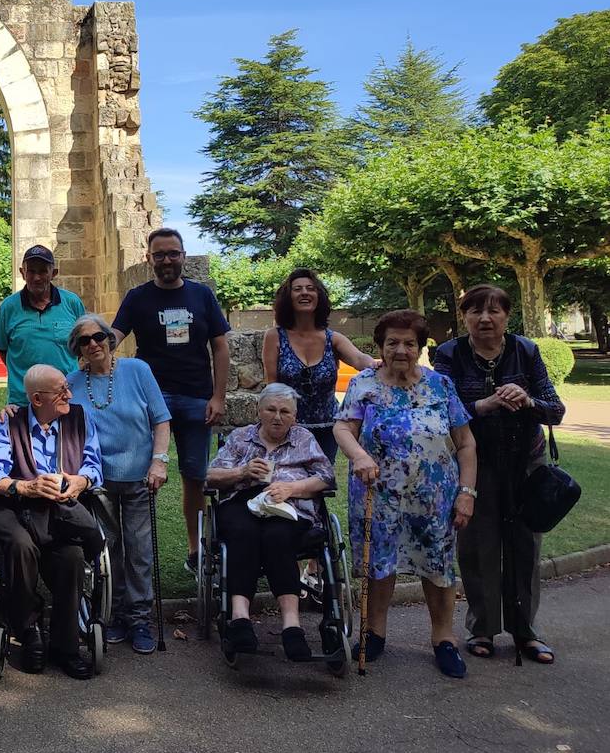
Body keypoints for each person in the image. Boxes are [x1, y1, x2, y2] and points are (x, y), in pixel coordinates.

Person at [334, 310, 478, 679]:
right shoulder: (364, 383)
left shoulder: (440, 385)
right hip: (378, 494)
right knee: (379, 563)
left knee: (438, 567)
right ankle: (375, 633)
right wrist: (360, 455)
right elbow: (343, 429)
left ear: (420, 347)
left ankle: (443, 639)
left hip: (433, 497)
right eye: (392, 342)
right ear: (380, 346)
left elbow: (465, 444)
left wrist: (466, 492)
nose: (401, 349)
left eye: (409, 343)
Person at [432, 284, 566, 664]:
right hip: (474, 463)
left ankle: (526, 631)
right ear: (465, 317)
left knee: (526, 546)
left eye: (493, 311)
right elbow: (441, 411)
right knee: (477, 547)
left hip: (526, 463)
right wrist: (483, 405)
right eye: (475, 311)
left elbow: (555, 409)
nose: (484, 318)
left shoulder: (526, 350)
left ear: (507, 315)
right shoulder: (449, 354)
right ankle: (483, 628)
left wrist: (528, 401)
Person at [0, 364, 104, 680]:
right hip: (13, 508)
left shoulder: (79, 419)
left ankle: (65, 644)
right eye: (61, 391)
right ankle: (28, 630)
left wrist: (80, 482)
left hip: (58, 510)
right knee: (19, 546)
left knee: (72, 557)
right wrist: (23, 486)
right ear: (37, 398)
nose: (69, 395)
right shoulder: (10, 423)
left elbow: (94, 464)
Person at [112, 228, 230, 570]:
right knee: (144, 475)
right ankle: (138, 553)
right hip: (151, 401)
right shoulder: (137, 297)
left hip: (197, 397)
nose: (166, 260)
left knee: (196, 476)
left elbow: (219, 346)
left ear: (183, 256)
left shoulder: (202, 296)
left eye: (173, 253)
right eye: (159, 254)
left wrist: (218, 396)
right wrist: (92, 345)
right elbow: (115, 335)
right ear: (149, 258)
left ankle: (195, 550)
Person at [64, 313, 170, 655]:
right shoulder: (72, 381)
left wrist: (159, 461)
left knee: (139, 549)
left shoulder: (137, 371)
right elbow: (52, 420)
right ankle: (115, 613)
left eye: (98, 337)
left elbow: (161, 419)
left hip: (140, 476)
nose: (93, 344)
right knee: (108, 550)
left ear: (110, 339)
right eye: (84, 340)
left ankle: (139, 618)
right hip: (97, 480)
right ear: (77, 348)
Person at [207, 384, 334, 660]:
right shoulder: (241, 437)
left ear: (294, 416)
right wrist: (241, 471)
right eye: (271, 410)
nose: (277, 417)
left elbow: (326, 477)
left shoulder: (304, 438)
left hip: (287, 506)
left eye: (285, 411)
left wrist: (292, 489)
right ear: (259, 411)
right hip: (243, 502)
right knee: (242, 533)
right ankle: (240, 620)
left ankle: (292, 627)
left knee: (278, 537)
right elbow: (211, 476)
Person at [263, 268, 378, 463]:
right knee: (287, 481)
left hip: (327, 429)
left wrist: (377, 364)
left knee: (320, 484)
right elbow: (272, 385)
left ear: (319, 296)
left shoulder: (333, 339)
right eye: (297, 289)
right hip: (288, 427)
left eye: (311, 288)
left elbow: (360, 360)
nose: (305, 293)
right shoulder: (274, 337)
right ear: (288, 297)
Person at [0, 245, 87, 406]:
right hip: (23, 401)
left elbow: (83, 344)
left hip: (66, 398)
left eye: (43, 271)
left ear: (54, 273)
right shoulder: (8, 307)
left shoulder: (72, 303)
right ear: (22, 272)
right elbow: (3, 350)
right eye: (31, 271)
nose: (37, 277)